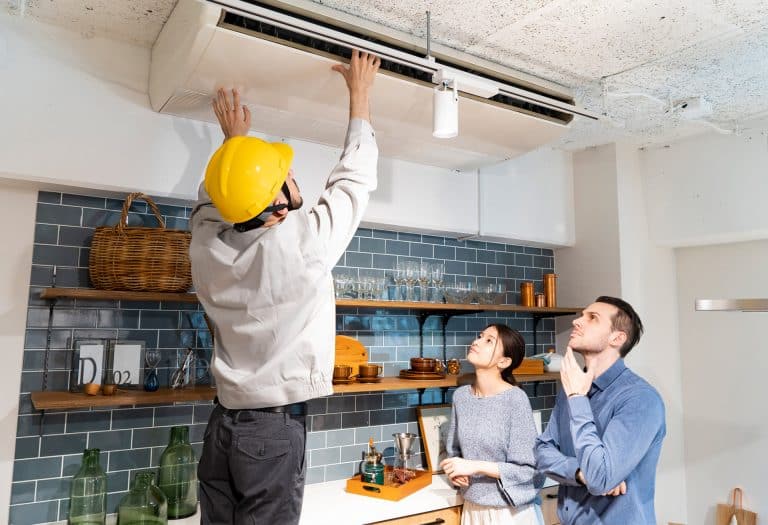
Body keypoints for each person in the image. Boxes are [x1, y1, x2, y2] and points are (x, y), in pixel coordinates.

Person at [189, 50, 380, 525]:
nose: (293, 177)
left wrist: (236, 146)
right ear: (277, 207)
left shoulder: (205, 250)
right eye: (286, 177)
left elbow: (215, 200)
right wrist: (360, 98)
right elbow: (352, 183)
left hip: (222, 430)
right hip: (270, 433)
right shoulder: (301, 246)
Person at [534, 296, 666, 525]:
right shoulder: (569, 391)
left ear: (617, 338)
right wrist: (578, 473)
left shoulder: (640, 399)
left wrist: (577, 399)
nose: (577, 322)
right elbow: (542, 452)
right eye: (581, 315)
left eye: (592, 318)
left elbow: (600, 478)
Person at [440, 323, 544, 525]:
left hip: (510, 513)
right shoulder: (461, 396)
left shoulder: (515, 399)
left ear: (504, 361)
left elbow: (529, 471)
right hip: (472, 509)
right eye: (479, 336)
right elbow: (454, 452)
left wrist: (473, 466)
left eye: (489, 340)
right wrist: (455, 473)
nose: (476, 341)